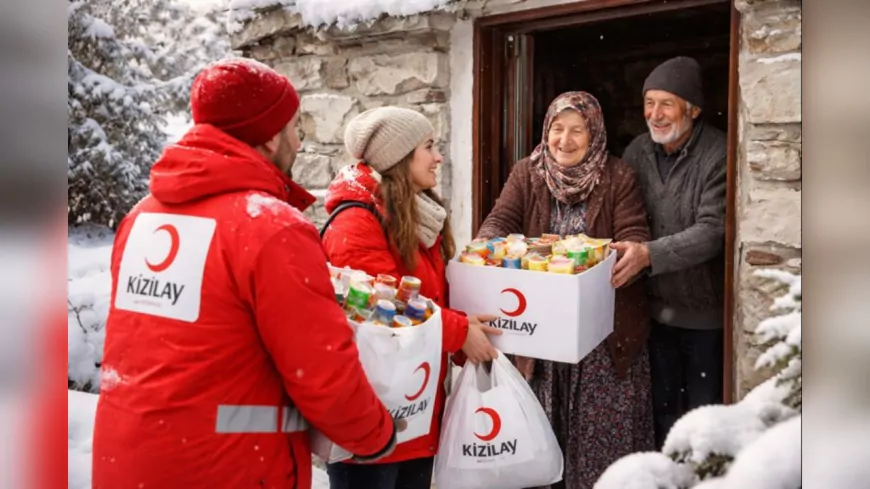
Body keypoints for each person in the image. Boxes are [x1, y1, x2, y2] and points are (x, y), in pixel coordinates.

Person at [92, 58, 399, 489]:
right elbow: (322, 372)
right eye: (295, 127)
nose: (299, 141)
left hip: (128, 459)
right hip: (227, 467)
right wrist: (375, 435)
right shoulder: (271, 228)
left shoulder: (143, 216)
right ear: (271, 135)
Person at [477, 91, 655, 488]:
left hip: (601, 336)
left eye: (577, 130)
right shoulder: (528, 173)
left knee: (601, 449)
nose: (565, 140)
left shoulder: (618, 175)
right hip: (543, 333)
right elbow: (500, 221)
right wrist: (488, 248)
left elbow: (633, 233)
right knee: (543, 438)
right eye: (557, 128)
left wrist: (626, 257)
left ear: (595, 135)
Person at [320, 106, 501, 489]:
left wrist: (468, 331)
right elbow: (382, 311)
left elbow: (430, 296)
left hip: (414, 413)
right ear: (399, 157)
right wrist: (458, 332)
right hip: (371, 421)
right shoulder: (357, 221)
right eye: (429, 146)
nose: (438, 158)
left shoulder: (416, 215)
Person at [614, 56, 727, 449]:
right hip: (653, 313)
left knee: (702, 417)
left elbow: (713, 231)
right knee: (662, 413)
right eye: (649, 103)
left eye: (667, 103)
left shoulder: (718, 154)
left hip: (705, 317)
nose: (655, 114)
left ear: (692, 109)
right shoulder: (636, 152)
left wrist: (648, 254)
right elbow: (621, 210)